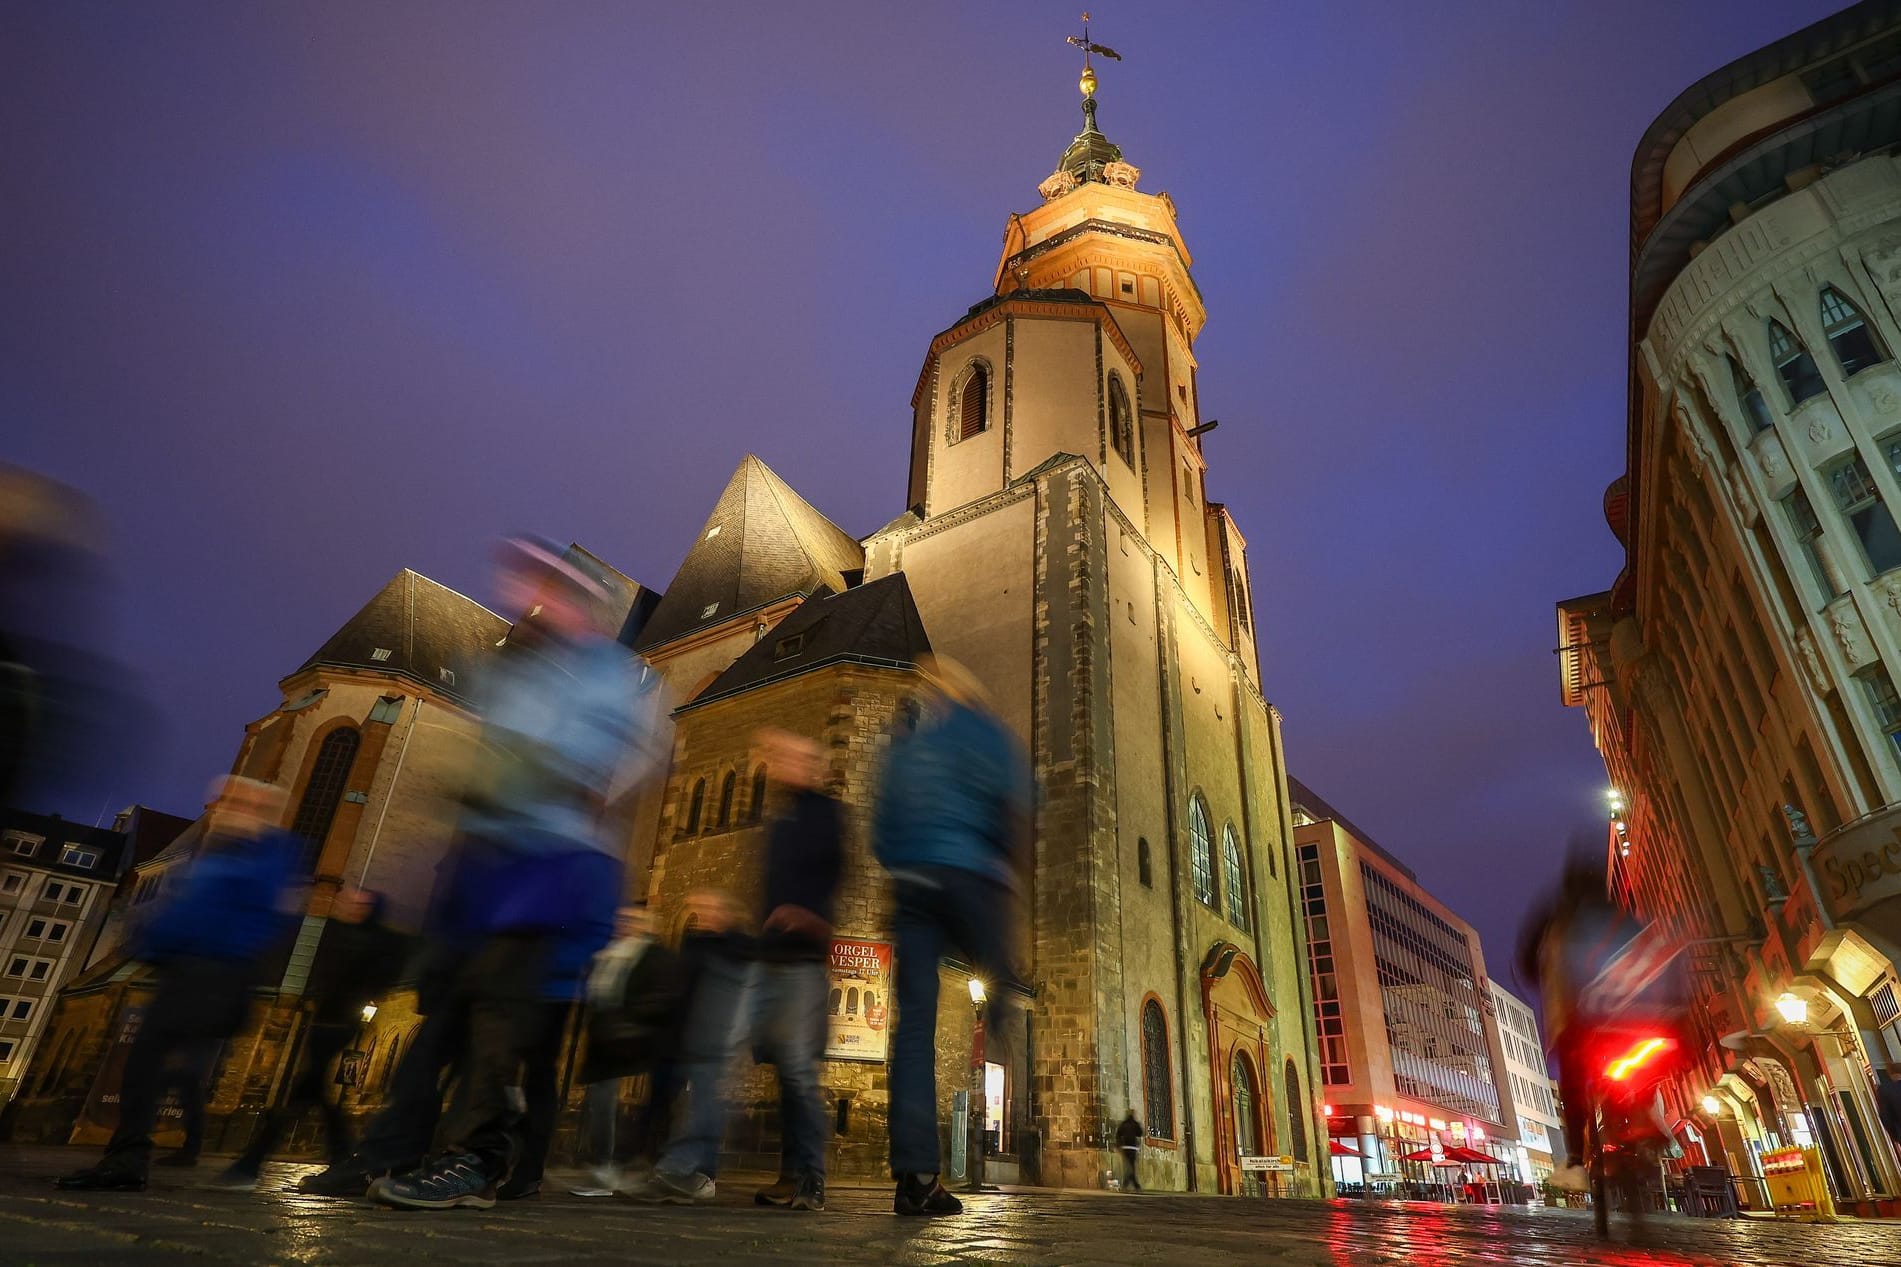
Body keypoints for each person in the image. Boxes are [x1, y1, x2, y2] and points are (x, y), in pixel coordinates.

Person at [371, 537, 662, 1212]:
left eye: (552, 588)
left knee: (501, 1023)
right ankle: (416, 1154)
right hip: (489, 867)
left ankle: (474, 1158)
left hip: (551, 867)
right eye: (530, 585)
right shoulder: (512, 667)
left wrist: (520, 770)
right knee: (458, 1014)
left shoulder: (607, 672)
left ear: (586, 605)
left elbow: (605, 762)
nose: (534, 599)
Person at [56, 777, 300, 1191]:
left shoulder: (261, 855)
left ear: (258, 808)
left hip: (213, 971)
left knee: (150, 1062)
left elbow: (219, 914)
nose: (220, 807)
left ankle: (133, 1157)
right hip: (193, 970)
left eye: (232, 800)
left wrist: (161, 940)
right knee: (162, 1066)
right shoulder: (230, 852)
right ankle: (145, 1152)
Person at [874, 654, 1032, 1217]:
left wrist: (905, 867)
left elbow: (881, 832)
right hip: (969, 877)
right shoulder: (987, 733)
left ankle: (916, 1177)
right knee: (1003, 982)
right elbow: (1011, 812)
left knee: (912, 1030)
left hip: (912, 885)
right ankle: (1007, 1006)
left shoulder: (905, 748)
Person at [218, 884, 408, 1189]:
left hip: (338, 1024)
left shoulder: (372, 942)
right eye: (348, 902)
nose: (348, 907)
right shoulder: (340, 933)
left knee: (305, 1092)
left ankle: (251, 1164)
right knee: (312, 1092)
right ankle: (343, 1159)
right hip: (326, 1022)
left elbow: (370, 979)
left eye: (358, 904)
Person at [1517, 850, 1683, 1193]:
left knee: (1575, 1084)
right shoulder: (1621, 916)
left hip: (1582, 1021)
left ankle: (1576, 1161)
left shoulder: (1554, 916)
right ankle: (1647, 1112)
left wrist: (1540, 979)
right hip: (1643, 1018)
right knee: (1648, 1062)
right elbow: (1658, 960)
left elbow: (1527, 961)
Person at [744, 729, 843, 1213]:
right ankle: (790, 1174)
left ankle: (810, 1179)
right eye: (774, 755)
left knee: (799, 1072)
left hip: (803, 959)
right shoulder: (780, 819)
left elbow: (835, 877)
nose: (777, 762)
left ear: (812, 765)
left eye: (790, 755)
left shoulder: (825, 814)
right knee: (786, 1070)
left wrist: (807, 917)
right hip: (773, 956)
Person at [624, 890, 754, 1205]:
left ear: (727, 912)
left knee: (705, 1102)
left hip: (714, 1036)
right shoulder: (697, 945)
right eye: (698, 909)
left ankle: (687, 1172)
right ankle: (693, 1173)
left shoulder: (738, 949)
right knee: (696, 1102)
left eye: (709, 907)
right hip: (688, 1035)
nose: (702, 914)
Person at [568, 904, 680, 1197]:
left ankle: (624, 1166)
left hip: (638, 1040)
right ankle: (606, 1168)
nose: (625, 924)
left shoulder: (657, 957)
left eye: (634, 920)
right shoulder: (607, 955)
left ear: (648, 925)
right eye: (623, 919)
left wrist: (634, 1022)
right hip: (607, 1042)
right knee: (600, 1100)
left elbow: (662, 995)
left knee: (645, 1102)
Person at [1116, 1109, 1143, 1191]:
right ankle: (1133, 1184)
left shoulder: (1123, 1124)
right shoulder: (1135, 1124)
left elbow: (1118, 1134)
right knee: (1131, 1165)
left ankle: (1128, 1183)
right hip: (1133, 1147)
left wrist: (1119, 1145)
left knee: (1128, 1165)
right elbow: (1140, 1133)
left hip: (1125, 1147)